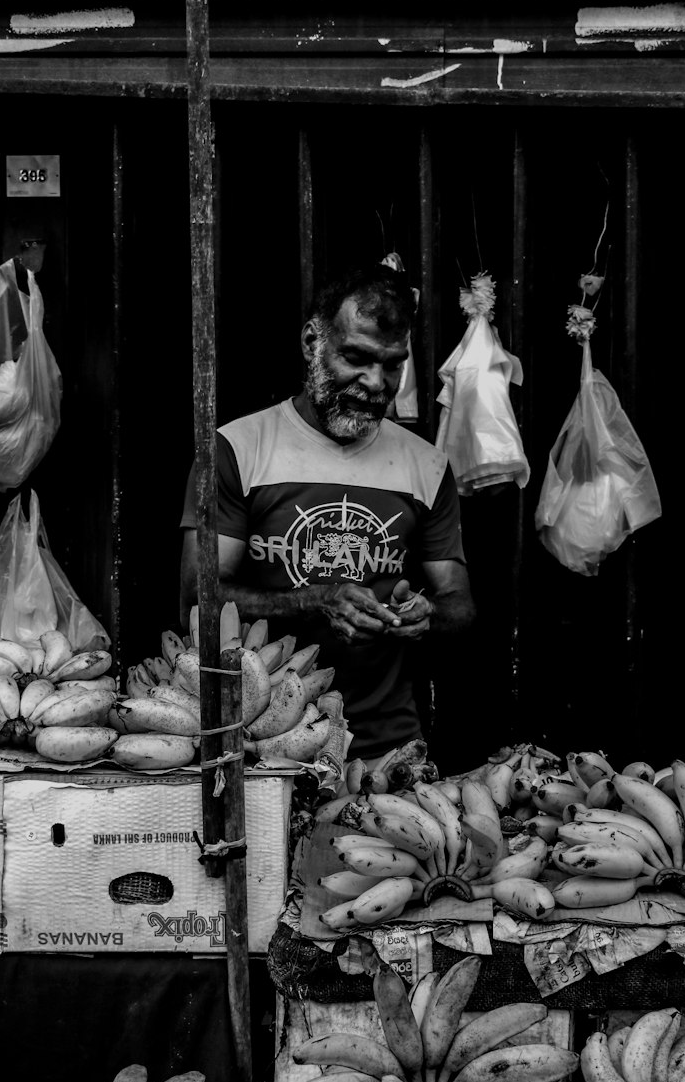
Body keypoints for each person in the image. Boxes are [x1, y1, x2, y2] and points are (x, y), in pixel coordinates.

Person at [179, 264, 476, 763]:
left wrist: (428, 616)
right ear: (312, 341)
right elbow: (197, 597)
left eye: (392, 364)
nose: (375, 383)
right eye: (356, 358)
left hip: (386, 745)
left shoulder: (427, 465)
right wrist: (317, 600)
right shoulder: (237, 450)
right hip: (259, 739)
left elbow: (461, 606)